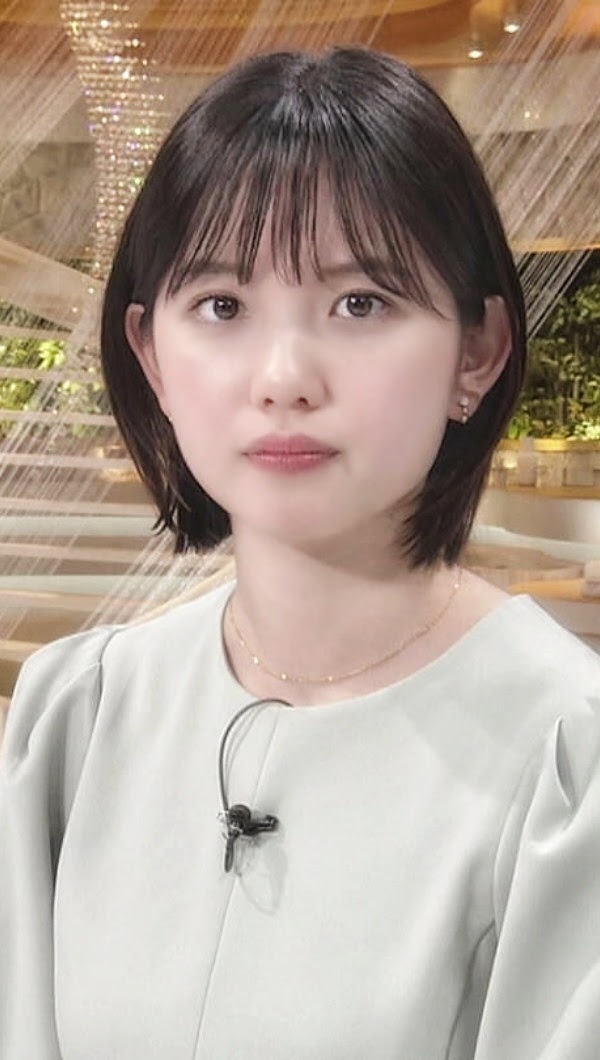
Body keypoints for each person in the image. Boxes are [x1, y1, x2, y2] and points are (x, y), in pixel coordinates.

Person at [2, 46, 600, 1060]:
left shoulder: (565, 758)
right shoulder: (81, 716)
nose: (283, 377)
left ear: (478, 350)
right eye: (222, 307)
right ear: (151, 356)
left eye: (360, 302)